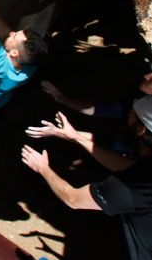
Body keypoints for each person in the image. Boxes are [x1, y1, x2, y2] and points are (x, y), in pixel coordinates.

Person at [22, 98, 152, 260]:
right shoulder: (143, 170)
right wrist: (75, 137)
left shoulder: (137, 185)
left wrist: (42, 167)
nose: (128, 113)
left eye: (133, 112)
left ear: (140, 129)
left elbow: (73, 198)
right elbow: (126, 165)